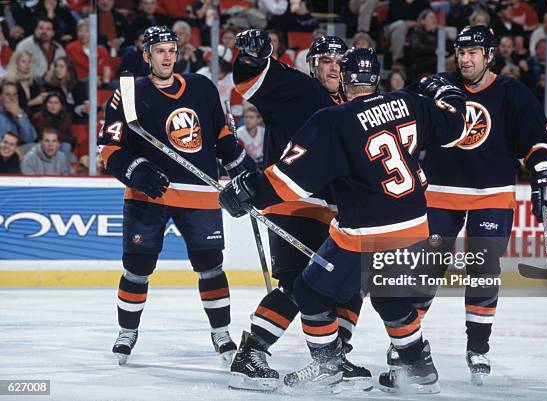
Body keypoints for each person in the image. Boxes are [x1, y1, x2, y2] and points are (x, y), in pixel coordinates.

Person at [219, 47, 468, 392]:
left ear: (346, 79)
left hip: (365, 228)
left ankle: (329, 365)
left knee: (308, 289)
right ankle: (418, 367)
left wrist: (247, 191)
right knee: (387, 294)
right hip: (414, 224)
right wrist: (450, 92)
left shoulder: (334, 119)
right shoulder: (409, 102)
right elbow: (456, 126)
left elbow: (290, 181)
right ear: (377, 78)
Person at [387, 25, 547, 385]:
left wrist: (543, 172)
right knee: (426, 268)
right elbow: (395, 112)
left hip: (491, 193)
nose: (465, 60)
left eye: (473, 53)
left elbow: (537, 139)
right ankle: (409, 342)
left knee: (483, 268)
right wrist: (417, 91)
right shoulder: (438, 84)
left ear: (490, 55)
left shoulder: (512, 92)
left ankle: (477, 347)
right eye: (460, 53)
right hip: (440, 191)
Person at [97, 25, 254, 366]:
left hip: (199, 194)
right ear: (147, 56)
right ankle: (127, 331)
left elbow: (222, 134)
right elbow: (109, 148)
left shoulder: (201, 87)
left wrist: (244, 169)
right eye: (159, 51)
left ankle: (221, 332)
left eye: (171, 50)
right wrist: (136, 170)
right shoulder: (128, 94)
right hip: (148, 195)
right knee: (137, 267)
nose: (167, 57)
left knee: (211, 267)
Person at [229, 30, 370, 391]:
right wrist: (252, 56)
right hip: (296, 204)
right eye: (325, 61)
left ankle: (333, 356)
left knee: (352, 284)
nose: (334, 67)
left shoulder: (356, 102)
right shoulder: (301, 91)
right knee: (297, 285)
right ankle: (251, 352)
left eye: (340, 61)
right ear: (312, 66)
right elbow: (253, 77)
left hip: (340, 213)